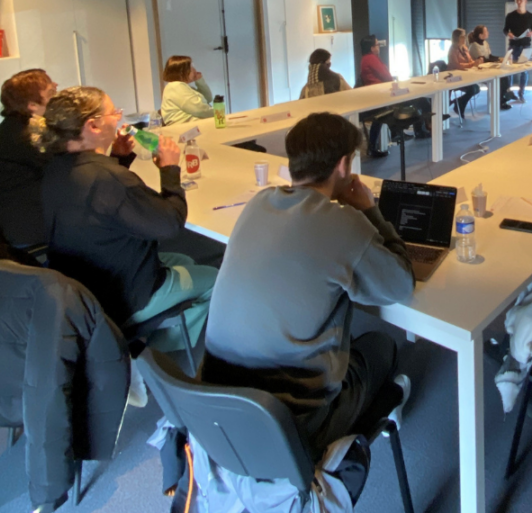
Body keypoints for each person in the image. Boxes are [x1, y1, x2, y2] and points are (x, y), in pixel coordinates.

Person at [201, 112, 414, 453]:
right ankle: (384, 404)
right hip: (291, 427)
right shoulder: (343, 222)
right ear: (343, 165)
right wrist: (369, 210)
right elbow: (400, 284)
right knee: (381, 345)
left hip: (215, 408)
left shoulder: (258, 202)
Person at [38, 86, 215, 352]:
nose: (119, 118)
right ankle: (155, 356)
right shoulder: (110, 179)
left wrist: (119, 158)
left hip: (82, 287)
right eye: (114, 113)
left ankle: (156, 335)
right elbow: (169, 224)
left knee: (185, 261)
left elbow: (102, 206)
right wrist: (169, 169)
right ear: (93, 125)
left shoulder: (56, 168)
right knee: (215, 280)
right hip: (123, 295)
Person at [0, 69, 58, 247]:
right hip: (11, 231)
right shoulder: (26, 136)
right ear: (32, 105)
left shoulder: (12, 126)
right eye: (51, 92)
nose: (56, 93)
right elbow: (66, 170)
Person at [356, 35, 432, 155]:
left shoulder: (365, 59)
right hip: (383, 96)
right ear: (371, 48)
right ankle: (421, 129)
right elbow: (387, 76)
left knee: (417, 100)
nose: (379, 46)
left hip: (380, 94)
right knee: (420, 100)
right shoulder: (371, 59)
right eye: (377, 44)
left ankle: (417, 130)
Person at [448, 28, 493, 117]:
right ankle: (458, 104)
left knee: (476, 88)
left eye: (465, 36)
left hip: (466, 75)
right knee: (473, 89)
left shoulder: (464, 48)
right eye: (462, 36)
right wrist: (472, 64)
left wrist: (477, 62)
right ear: (457, 38)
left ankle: (459, 102)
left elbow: (470, 60)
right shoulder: (452, 50)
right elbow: (457, 65)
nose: (465, 38)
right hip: (455, 77)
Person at [160, 55, 214, 125]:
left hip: (192, 125)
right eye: (191, 67)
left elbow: (207, 99)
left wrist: (199, 81)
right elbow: (198, 109)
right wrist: (218, 113)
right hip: (186, 128)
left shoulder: (184, 87)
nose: (194, 70)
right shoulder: (176, 87)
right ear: (182, 71)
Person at [503, 0, 532, 103]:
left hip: (525, 45)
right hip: (513, 45)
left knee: (524, 71)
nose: (519, 2)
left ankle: (521, 94)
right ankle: (509, 93)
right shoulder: (510, 16)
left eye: (521, 0)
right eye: (517, 0)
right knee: (510, 70)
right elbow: (505, 30)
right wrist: (509, 34)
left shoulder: (531, 16)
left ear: (525, 1)